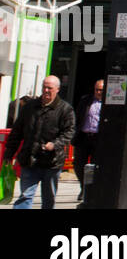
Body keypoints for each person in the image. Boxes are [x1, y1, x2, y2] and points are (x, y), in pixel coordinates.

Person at [3, 75, 75, 210]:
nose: (46, 90)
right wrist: (9, 153)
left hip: (52, 162)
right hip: (30, 159)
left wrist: (55, 144)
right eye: (44, 87)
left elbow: (69, 133)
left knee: (48, 199)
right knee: (25, 195)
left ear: (57, 89)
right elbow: (17, 132)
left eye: (50, 88)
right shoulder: (30, 107)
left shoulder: (65, 109)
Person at [72, 78, 104, 202]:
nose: (98, 92)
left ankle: (90, 190)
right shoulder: (85, 101)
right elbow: (78, 116)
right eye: (97, 90)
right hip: (84, 136)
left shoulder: (109, 104)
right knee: (79, 165)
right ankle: (83, 186)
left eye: (101, 90)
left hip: (98, 139)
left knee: (95, 166)